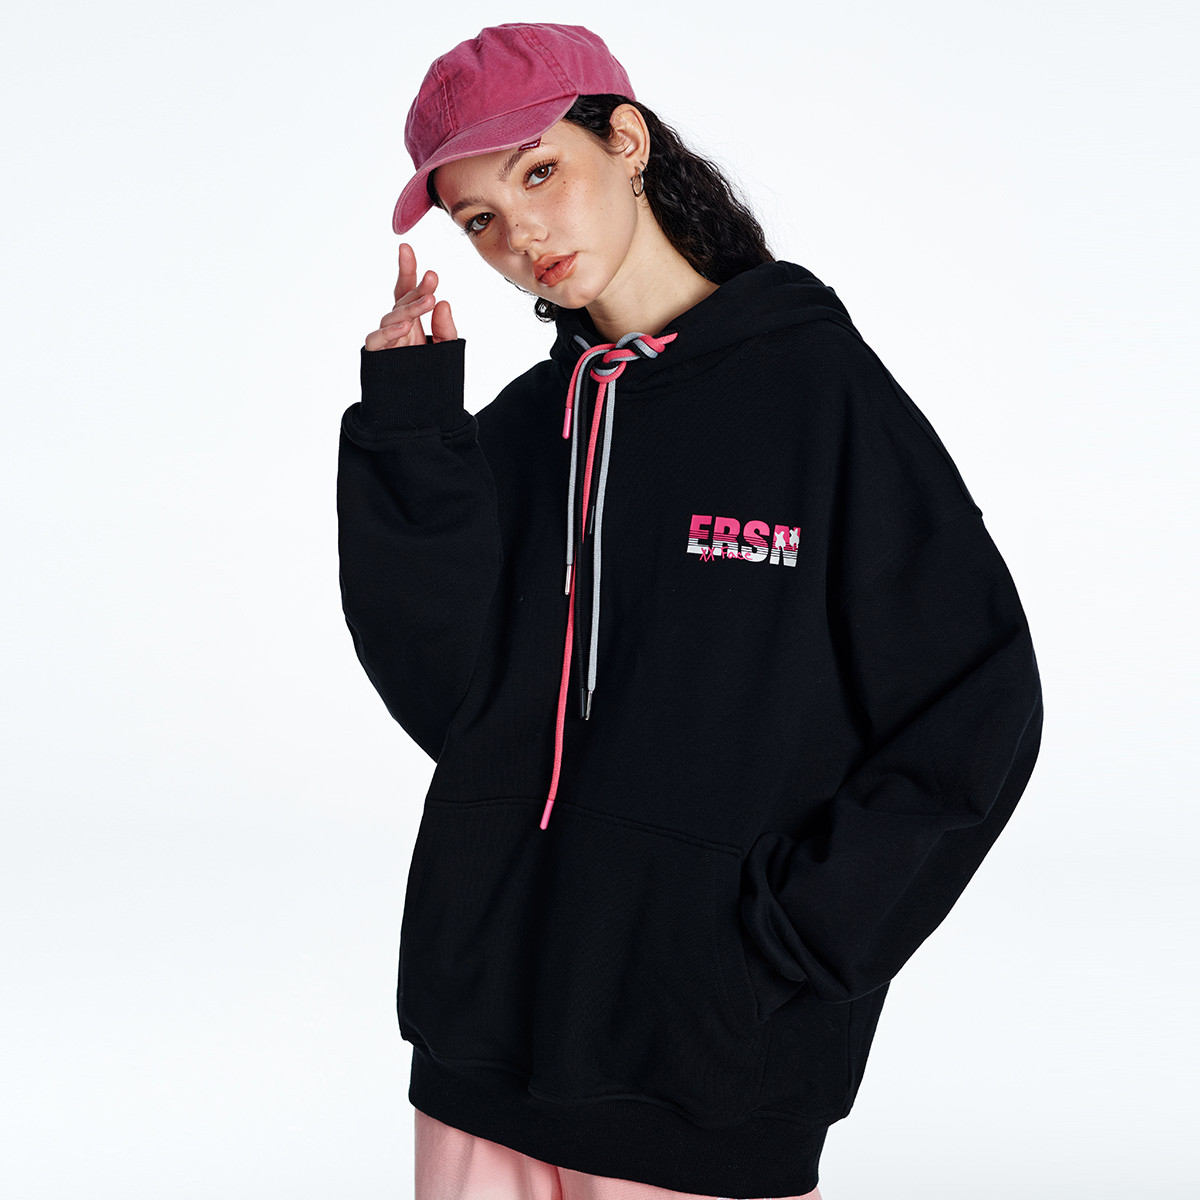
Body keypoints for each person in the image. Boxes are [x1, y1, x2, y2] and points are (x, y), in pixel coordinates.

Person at [337, 22, 1044, 1200]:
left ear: (627, 140)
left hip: (708, 1070)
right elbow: (453, 700)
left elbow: (976, 704)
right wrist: (412, 436)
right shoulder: (529, 429)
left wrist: (794, 941)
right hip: (482, 1050)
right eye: (481, 220)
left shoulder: (820, 397)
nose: (522, 238)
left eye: (540, 173)